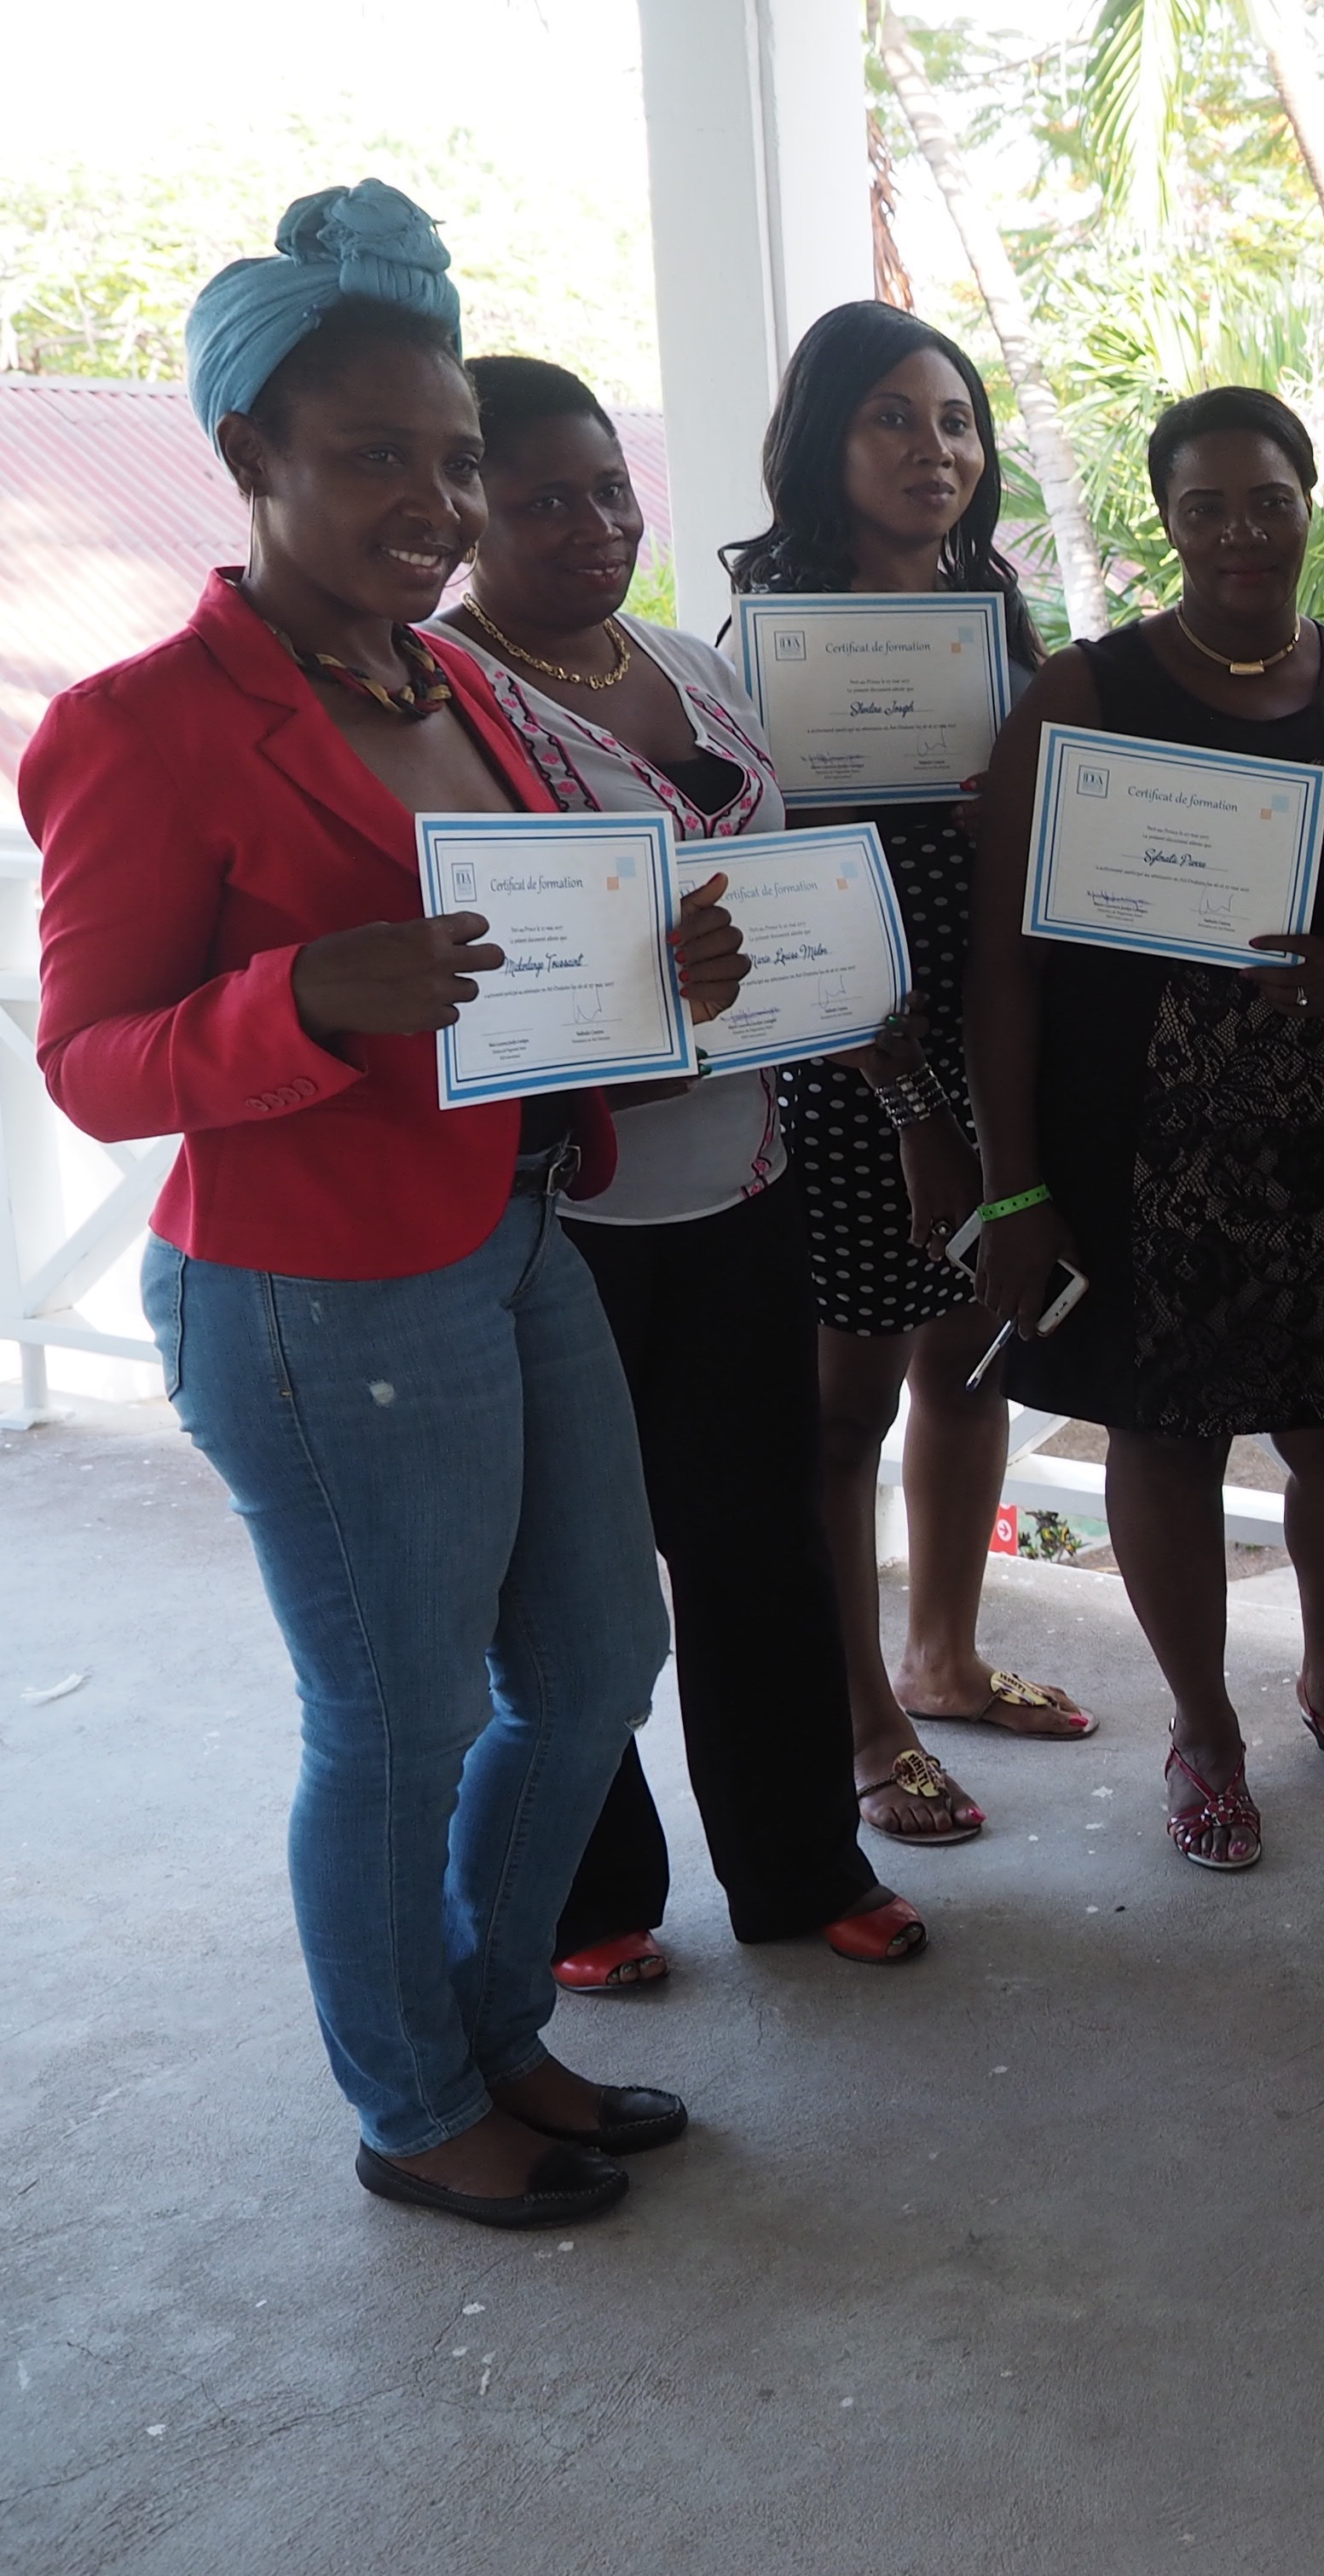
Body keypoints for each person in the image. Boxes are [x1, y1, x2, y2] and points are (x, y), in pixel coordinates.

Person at [21, 186, 744, 2223]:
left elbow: (542, 943)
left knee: (597, 1659)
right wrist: (295, 998)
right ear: (248, 459)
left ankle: (495, 2022)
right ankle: (414, 2096)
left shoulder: (469, 689)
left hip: (513, 1225)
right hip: (312, 1289)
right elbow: (89, 1062)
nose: (433, 501)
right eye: (373, 459)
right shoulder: (140, 729)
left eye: (449, 460)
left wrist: (651, 977)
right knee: (402, 1714)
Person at [437, 356, 927, 1981]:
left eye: (607, 488)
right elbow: (495, 962)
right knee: (569, 1571)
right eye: (542, 499)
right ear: (467, 510)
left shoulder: (692, 662)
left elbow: (777, 875)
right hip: (558, 1202)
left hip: (742, 1168)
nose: (591, 523)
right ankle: (592, 1898)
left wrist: (843, 990)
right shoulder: (441, 696)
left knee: (755, 1537)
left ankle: (799, 1866)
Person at [963, 387, 1324, 1874]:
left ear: (1313, 501)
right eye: (1204, 506)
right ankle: (1204, 1730)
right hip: (1136, 1145)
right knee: (1160, 1440)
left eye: (1268, 498)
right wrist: (1013, 1188)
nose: (1241, 531)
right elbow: (1000, 963)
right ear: (1165, 523)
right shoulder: (1087, 696)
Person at [721, 304, 1089, 1857]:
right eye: (891, 417)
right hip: (844, 1061)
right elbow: (760, 878)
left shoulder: (1005, 630)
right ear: (822, 441)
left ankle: (944, 1652)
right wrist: (906, 1103)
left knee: (969, 1361)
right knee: (844, 1405)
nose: (933, 450)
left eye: (955, 421)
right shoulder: (752, 646)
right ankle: (863, 1712)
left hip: (995, 1041)